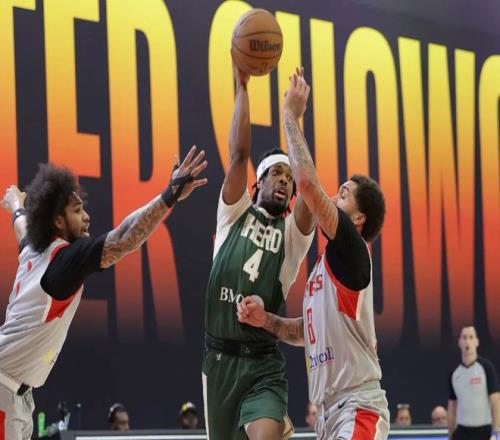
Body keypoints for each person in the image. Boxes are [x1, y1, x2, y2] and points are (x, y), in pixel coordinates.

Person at [0, 146, 207, 439]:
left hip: (17, 392)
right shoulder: (64, 262)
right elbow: (124, 237)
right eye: (77, 210)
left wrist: (16, 205)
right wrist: (169, 194)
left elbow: (22, 229)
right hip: (5, 390)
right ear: (57, 221)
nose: (86, 217)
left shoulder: (34, 251)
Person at [237, 68, 389, 439]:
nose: (334, 196)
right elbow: (307, 332)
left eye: (343, 193)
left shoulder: (353, 250)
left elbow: (305, 183)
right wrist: (267, 320)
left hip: (358, 408)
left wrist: (290, 115)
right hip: (328, 414)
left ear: (358, 219)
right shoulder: (326, 266)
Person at [202, 64, 315, 440]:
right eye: (277, 174)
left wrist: (293, 118)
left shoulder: (292, 237)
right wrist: (241, 87)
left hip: (263, 364)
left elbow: (308, 185)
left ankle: (274, 422)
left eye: (289, 178)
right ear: (258, 182)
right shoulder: (233, 214)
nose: (285, 180)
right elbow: (238, 155)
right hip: (219, 361)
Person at [448, 326, 500, 440]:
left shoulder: (486, 368)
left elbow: (496, 402)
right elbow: (452, 408)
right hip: (462, 431)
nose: (467, 341)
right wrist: (450, 436)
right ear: (459, 343)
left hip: (483, 431)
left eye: (471, 337)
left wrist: (495, 433)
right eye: (464, 337)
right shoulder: (455, 374)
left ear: (477, 342)